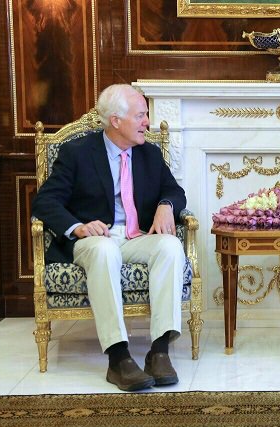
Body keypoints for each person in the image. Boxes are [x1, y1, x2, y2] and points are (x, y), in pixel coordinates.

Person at [32, 84, 187, 392]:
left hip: (134, 236)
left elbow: (174, 191)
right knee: (104, 251)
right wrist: (77, 227)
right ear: (116, 120)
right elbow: (45, 202)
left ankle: (159, 352)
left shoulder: (149, 154)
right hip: (95, 240)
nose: (147, 122)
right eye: (141, 115)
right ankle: (118, 358)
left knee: (170, 245)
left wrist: (166, 206)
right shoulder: (77, 153)